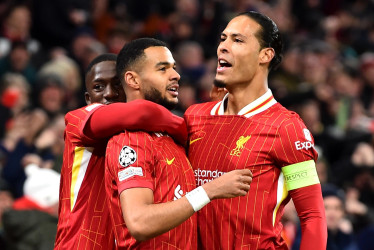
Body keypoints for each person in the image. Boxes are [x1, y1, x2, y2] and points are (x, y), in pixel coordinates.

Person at [184, 11, 327, 249]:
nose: (223, 47)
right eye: (222, 39)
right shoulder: (194, 116)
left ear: (265, 55)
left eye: (237, 40)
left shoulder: (287, 127)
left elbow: (313, 217)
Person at [104, 37, 253, 249]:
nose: (176, 75)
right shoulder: (130, 140)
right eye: (162, 69)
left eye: (174, 68)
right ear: (133, 80)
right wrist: (209, 191)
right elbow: (139, 222)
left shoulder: (172, 138)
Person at [54, 53, 190, 249]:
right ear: (87, 98)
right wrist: (184, 128)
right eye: (98, 87)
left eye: (117, 84)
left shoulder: (143, 136)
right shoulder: (78, 120)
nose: (109, 93)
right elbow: (142, 112)